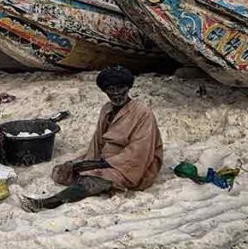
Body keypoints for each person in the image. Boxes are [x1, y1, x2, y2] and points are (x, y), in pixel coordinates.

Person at [20, 65, 163, 212]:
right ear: (105, 91)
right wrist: (87, 162)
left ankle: (48, 203)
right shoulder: (106, 109)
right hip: (107, 159)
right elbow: (97, 143)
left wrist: (103, 164)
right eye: (111, 89)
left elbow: (139, 152)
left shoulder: (143, 113)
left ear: (128, 88)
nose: (116, 93)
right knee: (63, 171)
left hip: (132, 165)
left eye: (121, 88)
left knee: (91, 180)